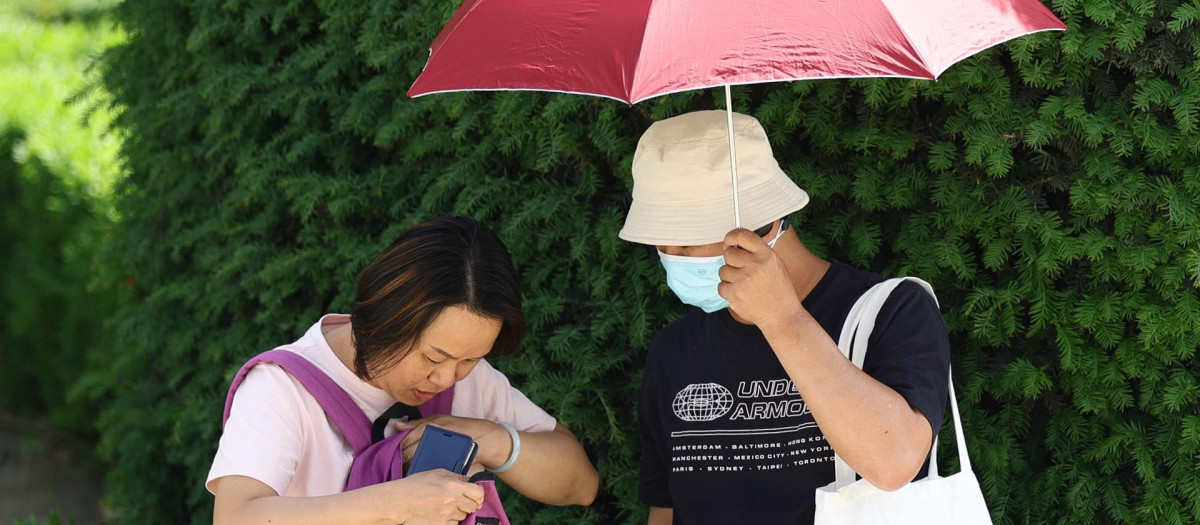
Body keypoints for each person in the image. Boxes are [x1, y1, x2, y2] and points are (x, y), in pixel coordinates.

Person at [622, 111, 951, 524]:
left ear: (765, 224)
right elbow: (666, 509)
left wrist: (783, 319)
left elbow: (895, 462)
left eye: (687, 240)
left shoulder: (889, 310)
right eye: (660, 239)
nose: (671, 257)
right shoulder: (673, 349)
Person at [208, 215, 599, 525]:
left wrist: (489, 439)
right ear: (386, 317)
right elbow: (236, 516)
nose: (447, 379)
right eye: (433, 358)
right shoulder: (281, 389)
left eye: (470, 360)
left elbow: (580, 484)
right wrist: (397, 504)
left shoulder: (466, 379)